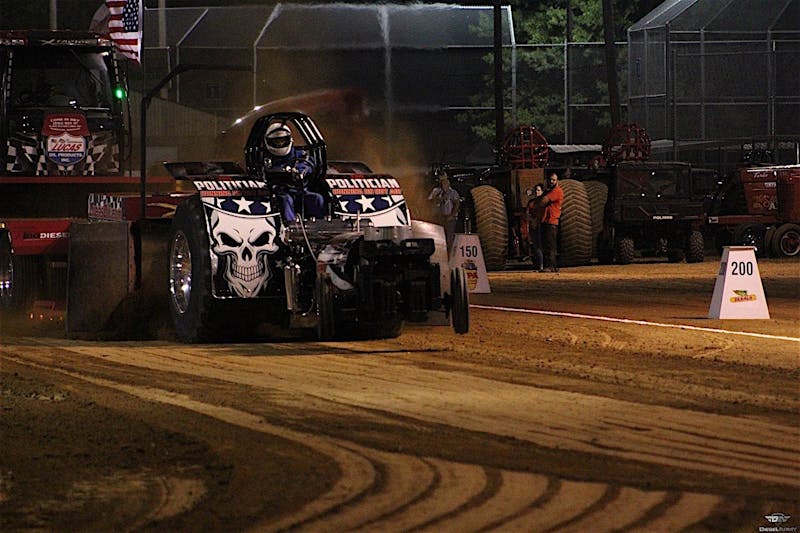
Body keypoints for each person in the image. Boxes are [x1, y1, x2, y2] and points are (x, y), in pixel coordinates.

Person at [263, 122, 325, 223]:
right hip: (277, 192)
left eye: (283, 141)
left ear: (290, 139)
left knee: (316, 198)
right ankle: (290, 226)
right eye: (277, 142)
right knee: (285, 199)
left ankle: (319, 225)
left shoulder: (299, 154)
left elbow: (308, 164)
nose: (280, 144)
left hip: (299, 190)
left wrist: (300, 171)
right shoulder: (264, 158)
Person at [536, 172, 564, 272]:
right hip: (546, 221)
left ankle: (550, 266)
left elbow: (543, 202)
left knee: (549, 245)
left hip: (551, 222)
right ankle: (552, 266)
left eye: (553, 180)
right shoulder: (550, 191)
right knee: (547, 245)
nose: (551, 182)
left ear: (557, 181)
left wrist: (540, 198)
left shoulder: (556, 191)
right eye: (550, 180)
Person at [428, 172, 461, 251]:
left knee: (449, 237)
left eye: (445, 184)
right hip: (440, 217)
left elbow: (457, 204)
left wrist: (452, 215)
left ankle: (450, 253)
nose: (443, 185)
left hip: (450, 218)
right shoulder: (436, 191)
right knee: (439, 236)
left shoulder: (453, 193)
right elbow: (430, 200)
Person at [526, 183, 545, 271]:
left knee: (540, 246)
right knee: (536, 246)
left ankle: (541, 265)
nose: (537, 192)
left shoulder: (545, 202)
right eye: (536, 190)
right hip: (533, 226)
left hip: (542, 226)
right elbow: (527, 213)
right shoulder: (531, 202)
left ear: (542, 191)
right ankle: (538, 265)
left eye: (539, 190)